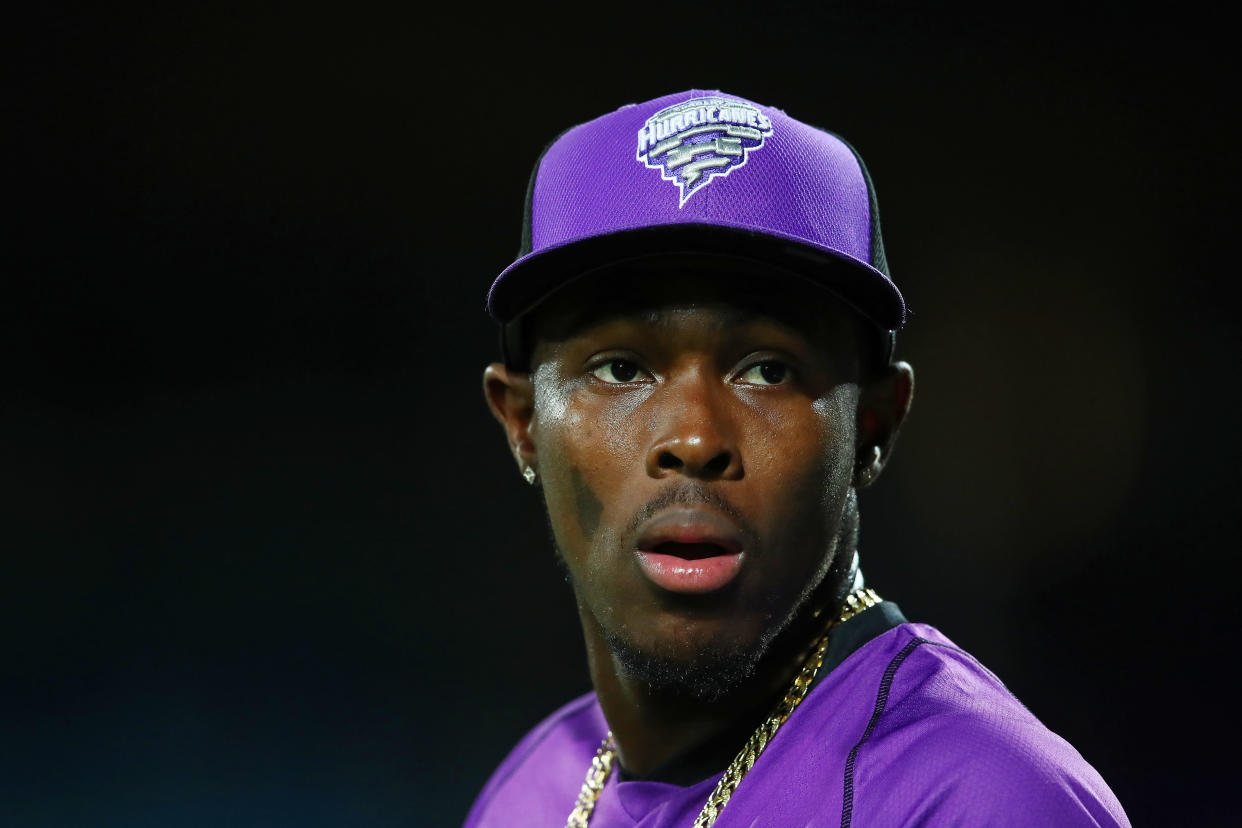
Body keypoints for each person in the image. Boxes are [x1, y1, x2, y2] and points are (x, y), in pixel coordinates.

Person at [465, 90, 1130, 827]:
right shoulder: (527, 795)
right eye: (621, 369)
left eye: (768, 369)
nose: (693, 439)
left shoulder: (981, 800)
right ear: (522, 423)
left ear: (874, 425)